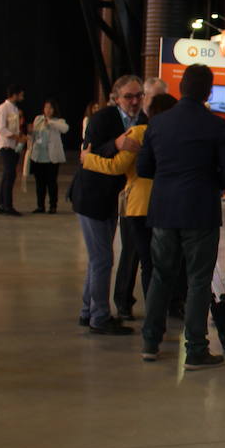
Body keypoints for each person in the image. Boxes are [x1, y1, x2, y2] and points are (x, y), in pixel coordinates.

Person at [136, 64, 225, 368]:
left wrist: (167, 179)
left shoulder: (158, 124)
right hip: (200, 212)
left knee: (161, 276)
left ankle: (150, 343)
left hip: (164, 211)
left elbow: (143, 168)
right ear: (208, 91)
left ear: (181, 89)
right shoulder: (216, 125)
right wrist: (211, 183)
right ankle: (195, 348)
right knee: (197, 281)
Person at [82, 92, 178, 328]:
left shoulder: (141, 133)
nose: (135, 102)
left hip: (140, 205)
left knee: (145, 262)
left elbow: (116, 166)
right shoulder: (177, 135)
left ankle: (153, 320)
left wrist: (87, 159)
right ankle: (165, 309)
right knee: (164, 262)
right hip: (170, 205)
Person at [70, 74, 145, 335]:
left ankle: (88, 311)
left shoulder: (144, 122)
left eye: (139, 96)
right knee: (102, 259)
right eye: (129, 96)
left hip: (115, 199)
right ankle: (99, 317)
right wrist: (116, 143)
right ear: (116, 98)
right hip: (91, 196)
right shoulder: (102, 119)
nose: (134, 101)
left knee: (98, 259)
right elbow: (86, 153)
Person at [27, 99, 69, 214]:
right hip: (38, 156)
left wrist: (50, 122)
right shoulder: (38, 119)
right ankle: (40, 206)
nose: (48, 110)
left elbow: (65, 128)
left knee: (51, 182)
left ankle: (53, 206)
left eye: (50, 108)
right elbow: (34, 135)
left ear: (54, 109)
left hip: (51, 158)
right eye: (46, 107)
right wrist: (30, 132)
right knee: (39, 183)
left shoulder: (58, 121)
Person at [0, 84, 26, 216]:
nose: (22, 96)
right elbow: (0, 128)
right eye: (21, 94)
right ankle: (7, 205)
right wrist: (16, 137)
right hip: (6, 145)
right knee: (10, 173)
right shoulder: (3, 108)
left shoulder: (15, 109)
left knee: (8, 174)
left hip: (13, 145)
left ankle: (2, 204)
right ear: (14, 94)